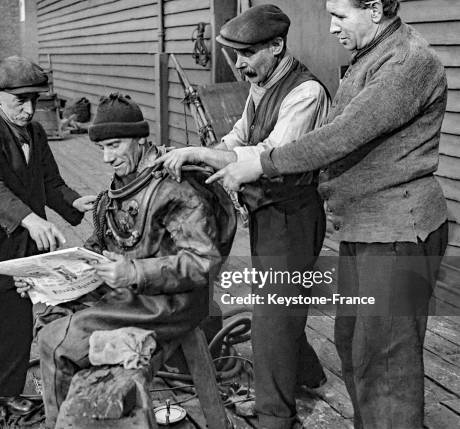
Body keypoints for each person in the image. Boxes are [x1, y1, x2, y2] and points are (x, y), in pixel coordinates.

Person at [204, 1, 449, 428]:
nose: (331, 27)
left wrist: (262, 163)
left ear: (374, 9)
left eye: (339, 15)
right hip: (365, 228)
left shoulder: (408, 63)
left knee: (385, 364)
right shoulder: (371, 56)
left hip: (397, 231)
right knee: (355, 345)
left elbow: (340, 136)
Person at [156, 5, 330, 428]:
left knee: (273, 316)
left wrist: (200, 153)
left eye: (247, 54)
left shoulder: (305, 93)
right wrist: (201, 155)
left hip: (292, 214)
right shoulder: (263, 82)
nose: (239, 65)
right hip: (267, 213)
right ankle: (307, 376)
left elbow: (267, 155)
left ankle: (275, 416)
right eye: (235, 55)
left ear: (276, 45)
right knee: (281, 306)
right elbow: (239, 135)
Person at [27, 93, 236, 428]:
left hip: (171, 302)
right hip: (134, 292)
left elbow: (203, 262)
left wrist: (132, 271)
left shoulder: (175, 189)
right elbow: (100, 244)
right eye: (103, 149)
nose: (108, 158)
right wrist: (48, 277)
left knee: (59, 340)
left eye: (115, 146)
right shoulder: (123, 185)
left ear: (140, 140)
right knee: (51, 312)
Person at [0, 56, 97, 428]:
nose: (29, 110)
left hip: (22, 255)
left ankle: (6, 395)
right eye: (20, 102)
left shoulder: (36, 132)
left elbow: (50, 182)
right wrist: (29, 219)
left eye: (35, 101)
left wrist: (75, 202)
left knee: (16, 328)